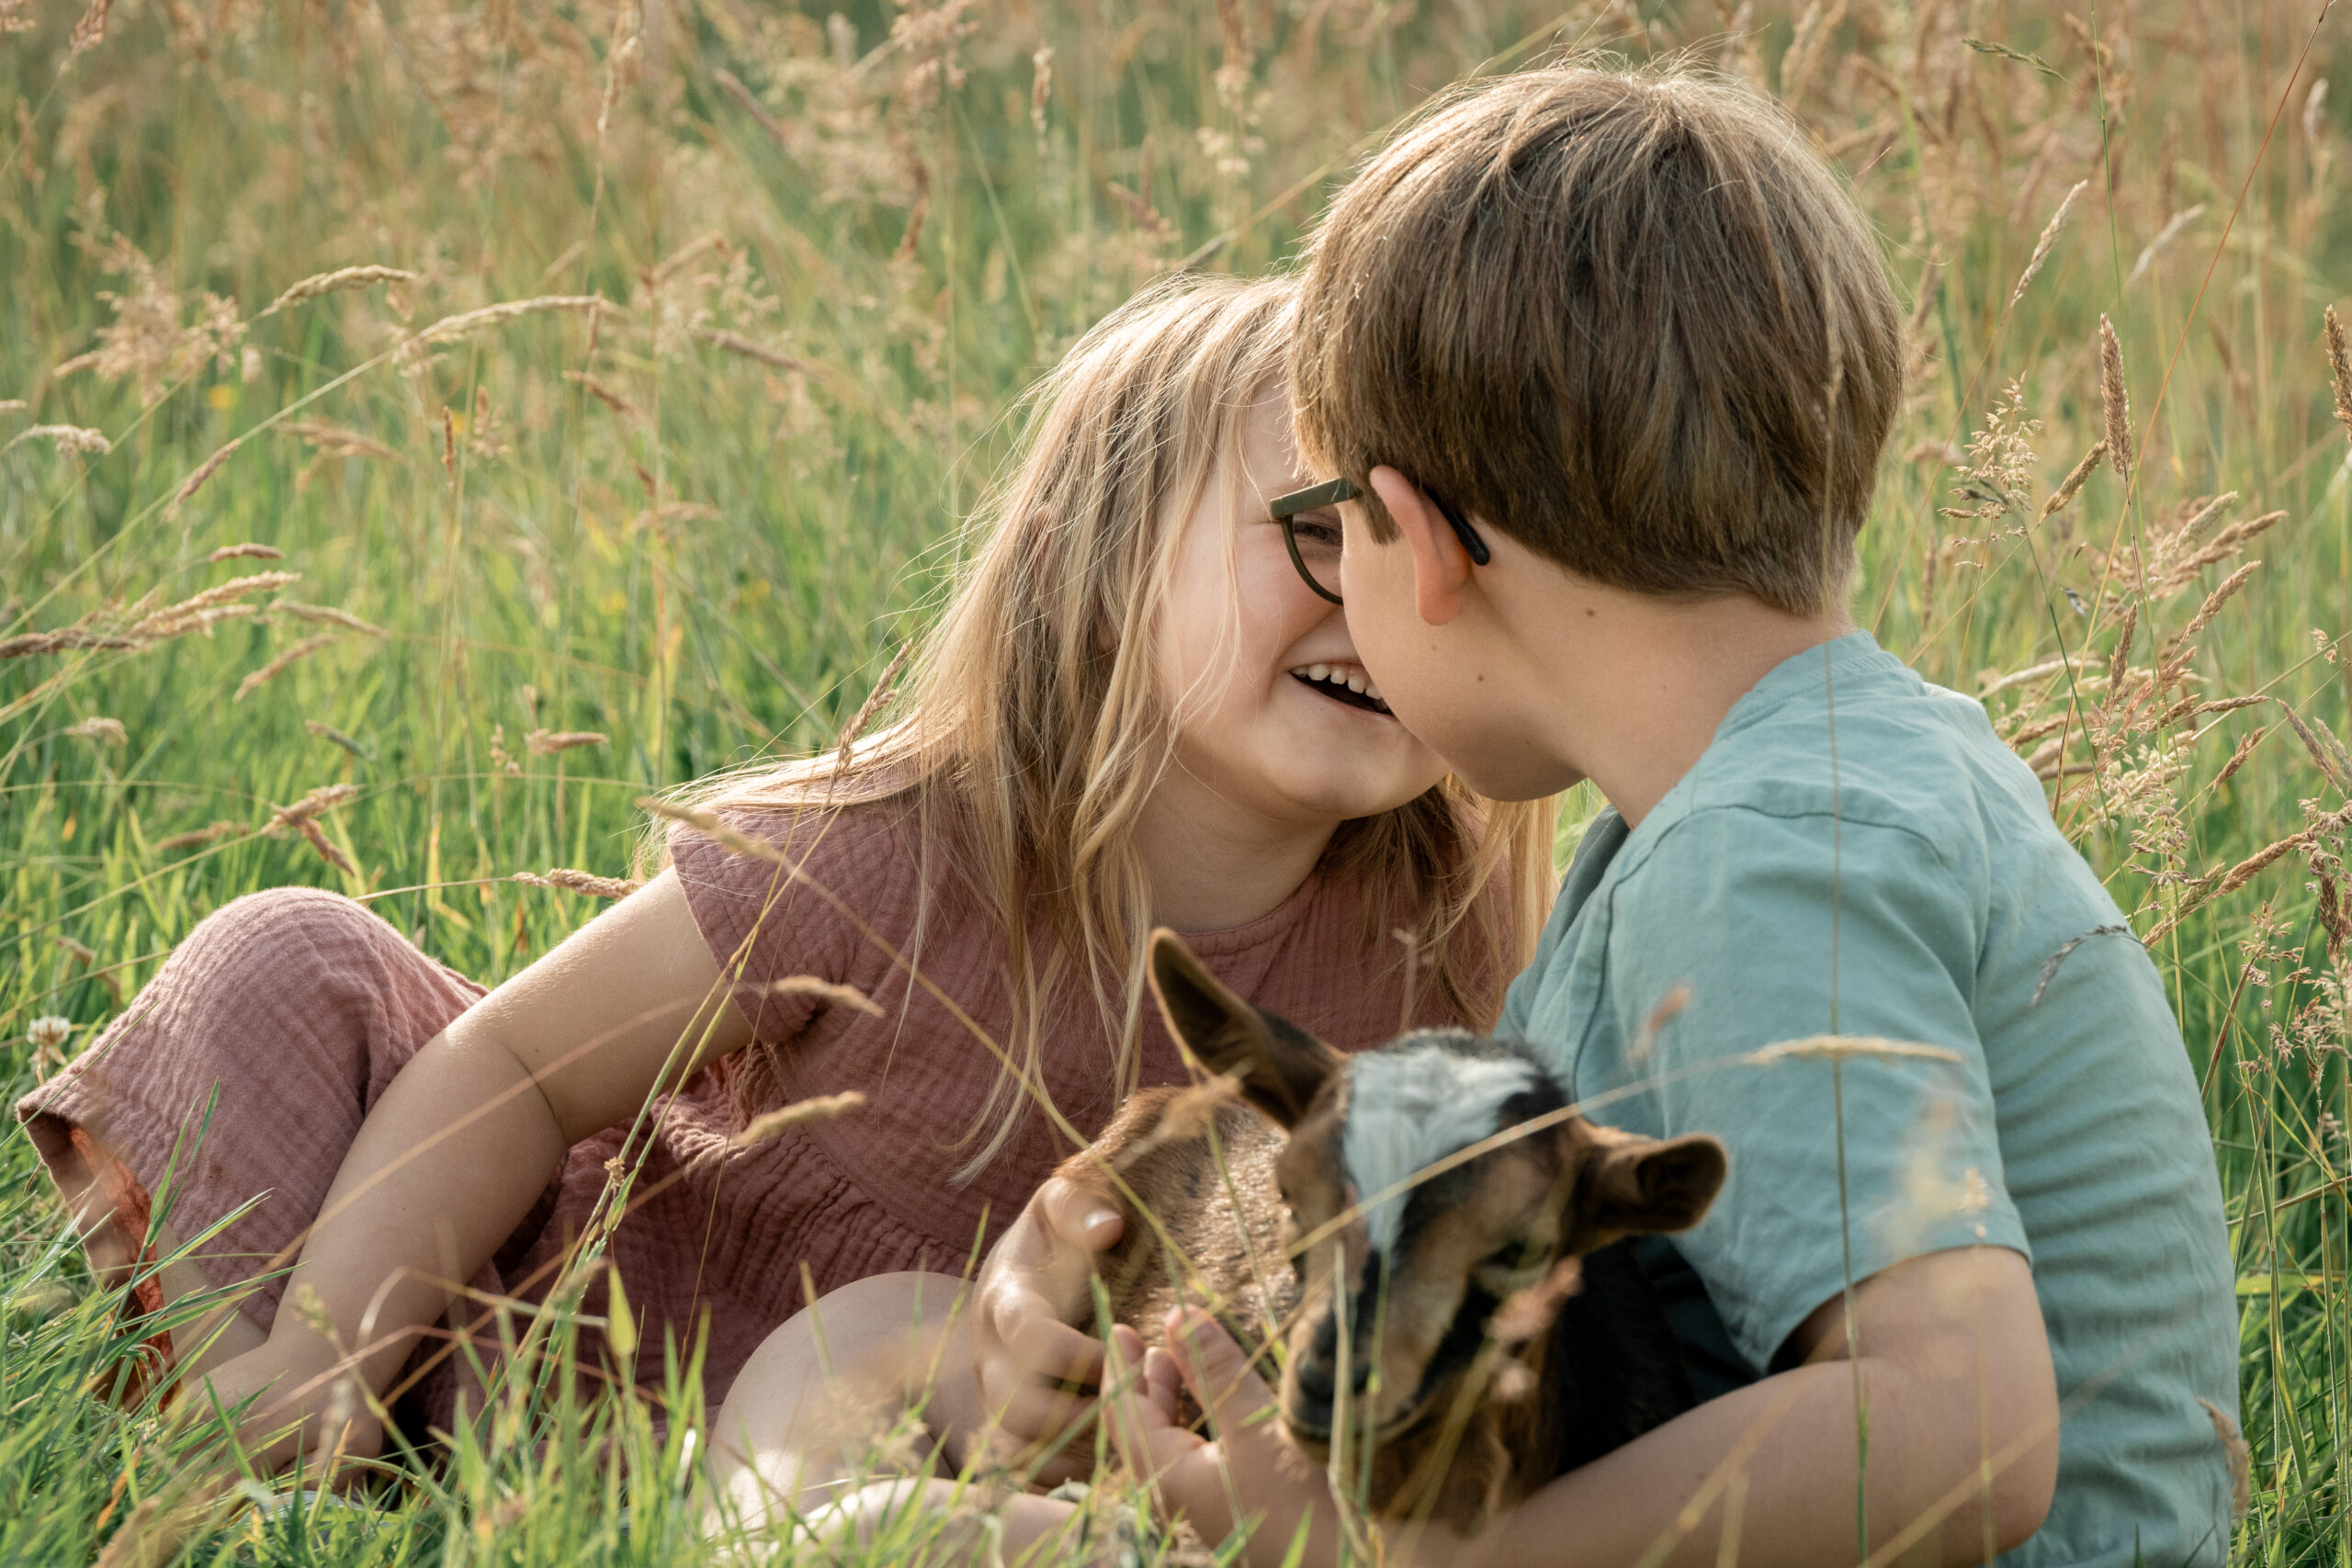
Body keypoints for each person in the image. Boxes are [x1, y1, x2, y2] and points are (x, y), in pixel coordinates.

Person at [16, 275, 1550, 1545]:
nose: (1385, 600)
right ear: (1103, 559)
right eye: (1316, 533)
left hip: (925, 1436)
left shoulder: (1438, 954)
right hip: (525, 1326)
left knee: (918, 1364)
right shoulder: (900, 848)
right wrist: (339, 1345)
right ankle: (256, 1429)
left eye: (1433, 554)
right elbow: (521, 1069)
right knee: (289, 958)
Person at [1103, 65, 2240, 1568]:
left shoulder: (1757, 863)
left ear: (1427, 543)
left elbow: (1963, 1428)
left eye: (1328, 533)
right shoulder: (1838, 783)